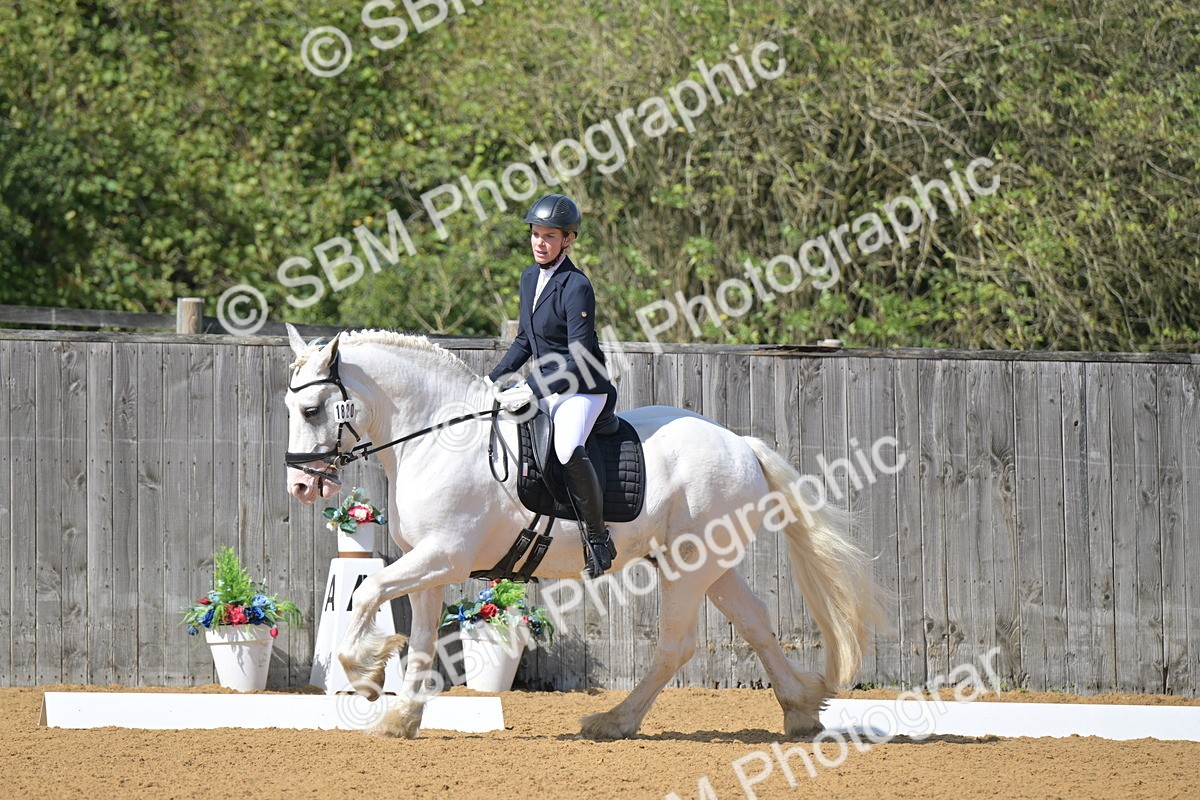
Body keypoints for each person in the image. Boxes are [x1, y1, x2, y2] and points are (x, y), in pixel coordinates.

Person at [486, 194, 618, 578]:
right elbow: (525, 340)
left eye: (549, 236)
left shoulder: (577, 286)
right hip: (544, 385)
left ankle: (597, 538)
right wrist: (492, 380)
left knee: (565, 447)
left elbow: (578, 357)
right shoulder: (530, 278)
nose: (539, 242)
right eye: (535, 234)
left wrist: (531, 388)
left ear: (568, 240)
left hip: (582, 388)